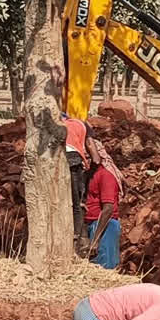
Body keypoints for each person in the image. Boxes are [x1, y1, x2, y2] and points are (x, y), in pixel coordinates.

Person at [84, 138, 125, 270]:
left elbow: (108, 208)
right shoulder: (93, 174)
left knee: (104, 267)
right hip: (95, 225)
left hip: (105, 227)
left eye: (87, 156)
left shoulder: (106, 175)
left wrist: (95, 240)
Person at [62, 113, 91, 249]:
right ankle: (78, 236)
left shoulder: (61, 126)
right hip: (74, 162)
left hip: (65, 162)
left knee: (71, 203)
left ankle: (76, 236)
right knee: (76, 203)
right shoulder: (79, 125)